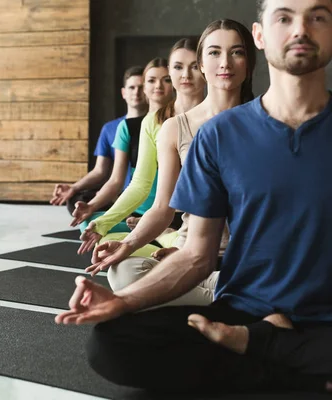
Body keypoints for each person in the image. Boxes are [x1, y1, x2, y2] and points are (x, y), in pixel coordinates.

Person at [56, 1, 332, 395]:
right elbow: (196, 253)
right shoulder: (218, 136)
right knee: (112, 344)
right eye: (284, 18)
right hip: (245, 307)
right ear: (261, 35)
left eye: (318, 17)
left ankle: (266, 349)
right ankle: (292, 365)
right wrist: (125, 302)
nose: (301, 29)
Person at [81, 20, 256, 308]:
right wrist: (127, 245)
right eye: (213, 53)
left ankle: (200, 292)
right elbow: (163, 208)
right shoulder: (174, 128)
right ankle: (228, 297)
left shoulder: (265, 122)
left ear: (249, 61)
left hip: (244, 257)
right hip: (189, 252)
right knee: (123, 270)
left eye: (236, 52)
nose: (225, 62)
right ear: (201, 63)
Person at [76, 37, 206, 254]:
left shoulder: (220, 118)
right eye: (178, 67)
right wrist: (104, 222)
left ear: (204, 68)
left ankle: (166, 239)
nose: (186, 74)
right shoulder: (153, 121)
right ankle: (161, 239)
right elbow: (139, 184)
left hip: (199, 222)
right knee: (107, 248)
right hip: (157, 213)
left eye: (194, 66)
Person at [69, 58, 173, 230]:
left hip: (171, 213)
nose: (158, 86)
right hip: (135, 212)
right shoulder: (128, 127)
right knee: (89, 224)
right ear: (145, 87)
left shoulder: (182, 122)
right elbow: (115, 180)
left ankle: (159, 234)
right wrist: (92, 206)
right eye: (151, 80)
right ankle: (150, 234)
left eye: (166, 79)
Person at [50, 66, 147, 215]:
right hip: (116, 193)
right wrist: (74, 187)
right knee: (76, 200)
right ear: (123, 93)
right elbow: (100, 171)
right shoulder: (110, 128)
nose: (136, 92)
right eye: (132, 87)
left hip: (143, 197)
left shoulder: (155, 125)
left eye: (141, 87)